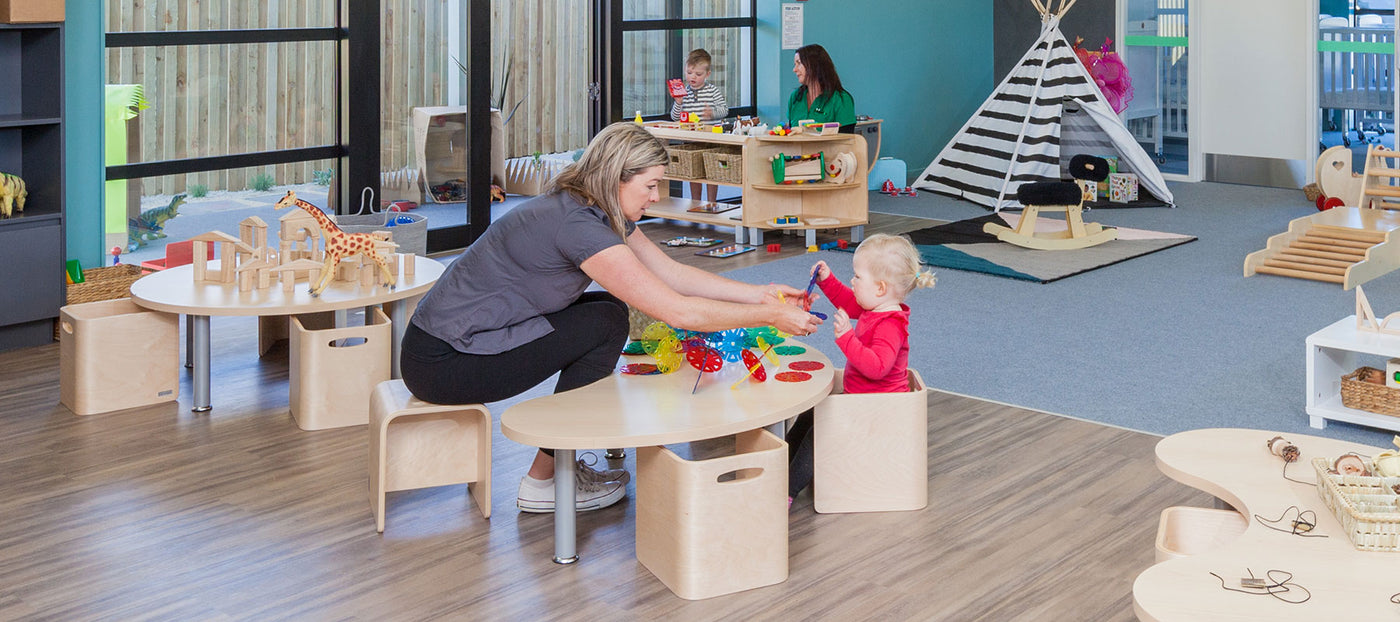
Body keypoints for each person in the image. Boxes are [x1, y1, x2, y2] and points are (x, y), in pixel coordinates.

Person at [400, 122, 821, 514]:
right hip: (444, 362)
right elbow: (675, 309)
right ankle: (543, 482)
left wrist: (761, 292)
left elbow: (672, 273)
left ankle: (553, 470)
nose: (655, 196)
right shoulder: (578, 226)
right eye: (651, 185)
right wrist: (768, 316)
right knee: (604, 322)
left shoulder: (592, 206)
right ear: (619, 176)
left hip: (447, 344)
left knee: (607, 312)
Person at [787, 234, 937, 505]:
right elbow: (850, 300)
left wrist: (846, 337)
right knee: (812, 412)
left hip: (877, 408)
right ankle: (783, 465)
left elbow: (877, 368)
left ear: (880, 288)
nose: (853, 282)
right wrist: (828, 280)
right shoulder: (874, 307)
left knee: (821, 430)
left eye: (857, 277)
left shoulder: (890, 324)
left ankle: (786, 491)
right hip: (862, 399)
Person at [669, 48, 728, 207]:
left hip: (710, 140)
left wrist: (712, 113)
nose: (692, 77)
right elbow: (674, 117)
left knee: (711, 173)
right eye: (689, 73)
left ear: (707, 74)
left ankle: (711, 203)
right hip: (691, 140)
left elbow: (724, 110)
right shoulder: (683, 93)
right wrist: (679, 102)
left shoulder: (712, 91)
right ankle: (696, 202)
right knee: (693, 173)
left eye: (698, 74)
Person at [788, 44, 857, 133]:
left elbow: (847, 141)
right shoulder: (795, 97)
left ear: (814, 65)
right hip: (797, 147)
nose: (794, 69)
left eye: (799, 63)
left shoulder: (841, 99)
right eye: (795, 64)